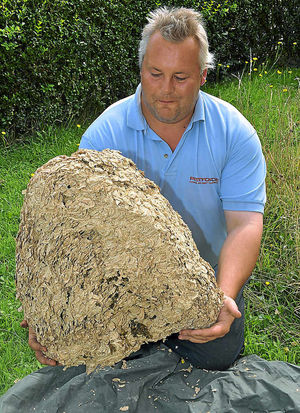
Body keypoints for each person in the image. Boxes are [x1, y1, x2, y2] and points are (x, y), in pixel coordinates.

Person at [22, 6, 266, 371]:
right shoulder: (105, 135)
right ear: (141, 70)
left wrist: (223, 296)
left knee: (216, 355)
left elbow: (245, 224)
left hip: (204, 279)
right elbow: (72, 231)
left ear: (202, 76)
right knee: (83, 363)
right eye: (155, 74)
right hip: (121, 282)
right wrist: (49, 309)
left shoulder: (234, 133)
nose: (166, 90)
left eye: (180, 77)